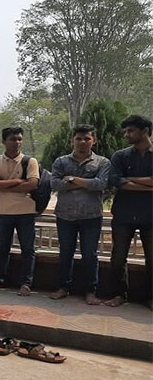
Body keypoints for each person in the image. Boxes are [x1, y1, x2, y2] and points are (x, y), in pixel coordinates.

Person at [50, 124, 111, 305]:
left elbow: (101, 184)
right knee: (65, 253)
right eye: (78, 138)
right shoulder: (61, 161)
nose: (82, 142)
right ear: (72, 141)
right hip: (65, 215)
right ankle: (63, 287)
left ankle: (91, 291)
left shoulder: (102, 162)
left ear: (94, 140)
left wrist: (71, 179)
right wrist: (87, 182)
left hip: (91, 216)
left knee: (90, 255)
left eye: (87, 138)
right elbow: (54, 185)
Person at [0, 128, 40, 296]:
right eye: (13, 139)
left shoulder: (30, 161)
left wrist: (4, 184)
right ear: (4, 141)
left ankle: (26, 283)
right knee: (2, 248)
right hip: (3, 211)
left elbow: (32, 185)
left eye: (19, 139)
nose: (17, 142)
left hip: (26, 211)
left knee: (28, 249)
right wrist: (17, 181)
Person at [105, 115, 152, 308]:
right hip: (124, 214)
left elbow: (125, 181)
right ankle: (119, 294)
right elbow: (116, 181)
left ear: (145, 131)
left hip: (151, 216)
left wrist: (130, 180)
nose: (126, 135)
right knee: (117, 257)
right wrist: (149, 184)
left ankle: (150, 297)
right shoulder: (120, 156)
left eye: (130, 131)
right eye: (125, 131)